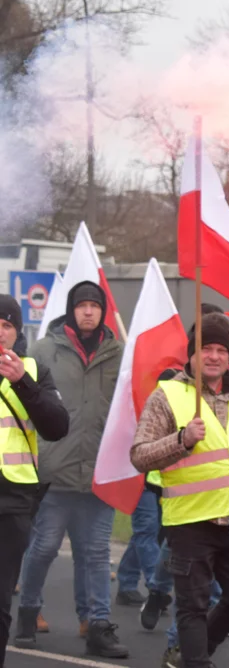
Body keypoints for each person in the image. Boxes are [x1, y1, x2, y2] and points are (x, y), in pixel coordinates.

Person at [130, 313, 229, 668]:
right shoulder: (167, 394)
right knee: (193, 607)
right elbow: (139, 456)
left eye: (221, 350)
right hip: (189, 521)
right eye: (206, 349)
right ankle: (196, 662)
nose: (214, 356)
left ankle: (188, 658)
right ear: (192, 355)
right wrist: (182, 440)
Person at [16, 281, 128, 658]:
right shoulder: (44, 350)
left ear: (102, 312)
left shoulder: (119, 354)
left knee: (95, 553)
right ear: (70, 310)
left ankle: (97, 623)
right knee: (43, 548)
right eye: (81, 305)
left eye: (94, 306)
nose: (88, 311)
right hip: (54, 471)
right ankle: (28, 613)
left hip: (99, 471)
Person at [0, 295, 69, 665]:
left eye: (7, 325)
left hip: (12, 501)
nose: (0, 332)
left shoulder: (33, 370)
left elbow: (58, 426)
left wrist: (23, 384)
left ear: (17, 331)